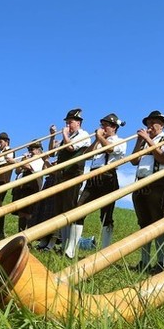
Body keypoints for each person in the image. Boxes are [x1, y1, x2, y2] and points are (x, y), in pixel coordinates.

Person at [40, 109, 92, 257]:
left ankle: (69, 246)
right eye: (67, 122)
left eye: (70, 122)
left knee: (69, 209)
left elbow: (70, 147)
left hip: (73, 175)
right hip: (61, 176)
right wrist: (52, 136)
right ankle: (63, 244)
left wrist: (64, 134)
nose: (68, 124)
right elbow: (52, 152)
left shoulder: (83, 135)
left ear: (78, 122)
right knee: (60, 209)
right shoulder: (67, 136)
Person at [130, 110, 164, 273]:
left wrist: (148, 140)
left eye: (153, 123)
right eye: (148, 123)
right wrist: (138, 142)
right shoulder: (143, 142)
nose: (149, 126)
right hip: (140, 183)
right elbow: (133, 161)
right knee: (143, 223)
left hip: (158, 183)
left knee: (158, 223)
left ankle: (161, 263)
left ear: (161, 125)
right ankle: (144, 261)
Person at [74, 114, 128, 250]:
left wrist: (100, 137)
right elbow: (87, 155)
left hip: (108, 177)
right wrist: (97, 140)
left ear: (114, 127)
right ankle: (71, 249)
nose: (102, 127)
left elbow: (110, 149)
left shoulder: (120, 141)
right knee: (79, 210)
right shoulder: (99, 141)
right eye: (101, 125)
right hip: (93, 177)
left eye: (105, 125)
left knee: (106, 215)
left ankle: (105, 249)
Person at [11, 140, 49, 233]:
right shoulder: (29, 158)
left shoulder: (39, 158)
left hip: (32, 188)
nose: (30, 151)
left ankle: (27, 235)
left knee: (29, 213)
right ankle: (20, 233)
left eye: (32, 149)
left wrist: (15, 162)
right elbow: (18, 171)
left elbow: (29, 167)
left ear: (38, 149)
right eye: (29, 149)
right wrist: (22, 160)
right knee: (21, 213)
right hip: (23, 187)